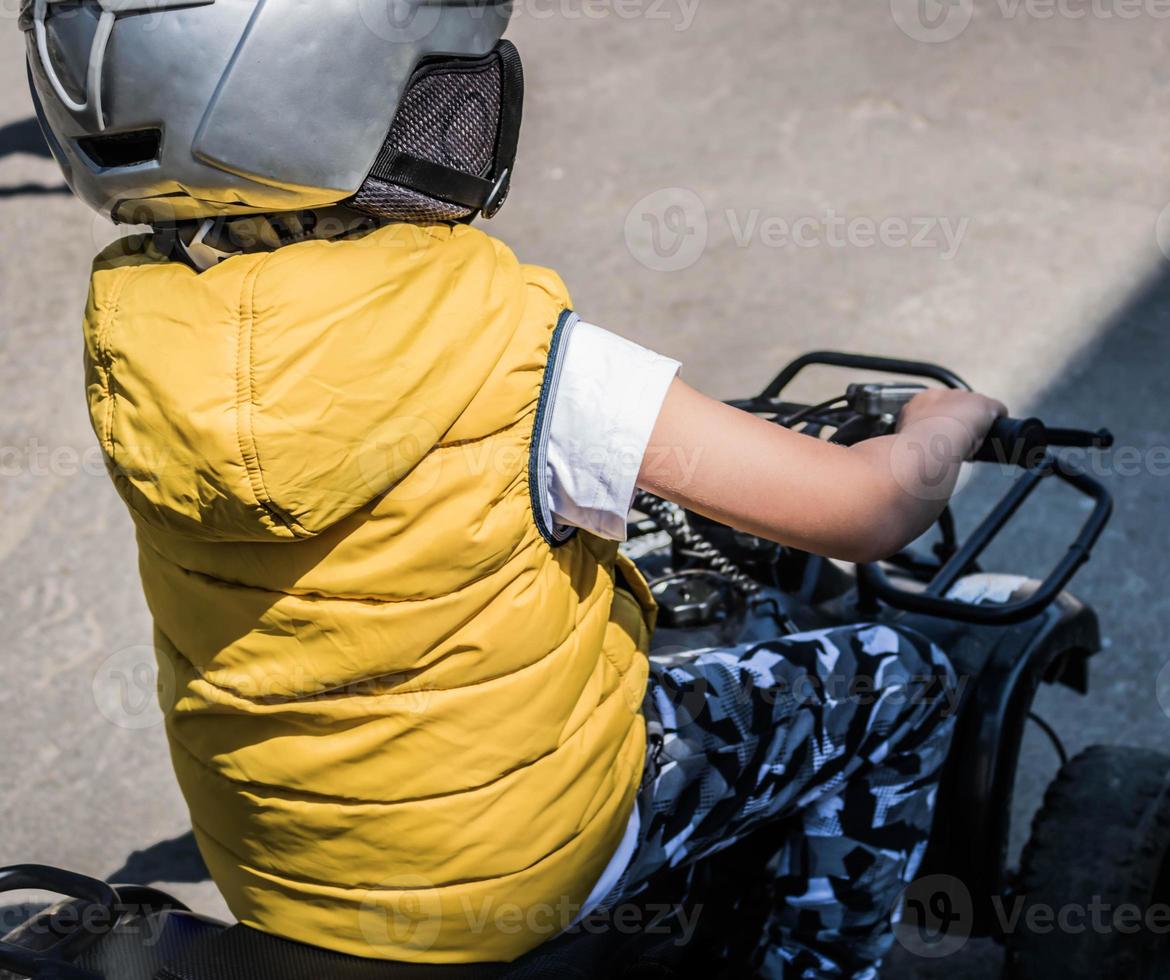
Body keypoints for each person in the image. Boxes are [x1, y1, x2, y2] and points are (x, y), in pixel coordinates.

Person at [22, 3, 1005, 976]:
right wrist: (944, 418)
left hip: (276, 877)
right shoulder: (520, 348)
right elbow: (871, 508)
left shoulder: (136, 339)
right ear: (366, 101)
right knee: (901, 676)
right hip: (522, 869)